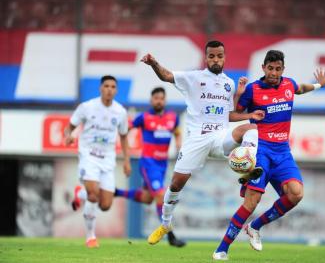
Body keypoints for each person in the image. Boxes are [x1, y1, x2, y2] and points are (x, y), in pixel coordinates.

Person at [141, 40, 265, 245]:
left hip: (219, 137)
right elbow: (166, 76)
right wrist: (154, 63)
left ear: (224, 57)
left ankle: (247, 167)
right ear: (206, 58)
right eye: (212, 56)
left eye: (219, 56)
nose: (216, 59)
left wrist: (250, 114)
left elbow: (228, 115)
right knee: (175, 184)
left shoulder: (229, 83)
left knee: (251, 128)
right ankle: (165, 224)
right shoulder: (194, 78)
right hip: (196, 139)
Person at [213, 50, 325, 260]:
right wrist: (239, 95)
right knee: (251, 203)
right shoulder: (253, 89)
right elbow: (231, 115)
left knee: (296, 194)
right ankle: (222, 249)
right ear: (263, 68)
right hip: (261, 151)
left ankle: (255, 227)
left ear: (283, 70)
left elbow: (301, 89)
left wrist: (318, 85)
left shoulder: (288, 84)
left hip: (283, 151)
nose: (274, 73)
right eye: (270, 68)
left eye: (278, 69)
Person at [114, 87, 186, 247]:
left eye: (161, 98)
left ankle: (116, 192)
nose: (159, 101)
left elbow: (177, 132)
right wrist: (125, 156)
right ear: (151, 100)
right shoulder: (143, 118)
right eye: (156, 98)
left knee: (148, 198)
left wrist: (179, 143)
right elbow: (124, 130)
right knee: (161, 195)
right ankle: (171, 236)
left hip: (162, 165)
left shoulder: (173, 118)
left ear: (165, 100)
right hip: (148, 163)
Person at [65, 75, 131, 248]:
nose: (109, 89)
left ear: (116, 90)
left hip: (107, 159)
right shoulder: (87, 107)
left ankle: (80, 193)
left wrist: (126, 161)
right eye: (106, 86)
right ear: (101, 88)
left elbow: (124, 137)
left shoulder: (120, 112)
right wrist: (68, 136)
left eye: (113, 87)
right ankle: (91, 237)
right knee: (93, 195)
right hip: (88, 155)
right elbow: (70, 127)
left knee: (106, 205)